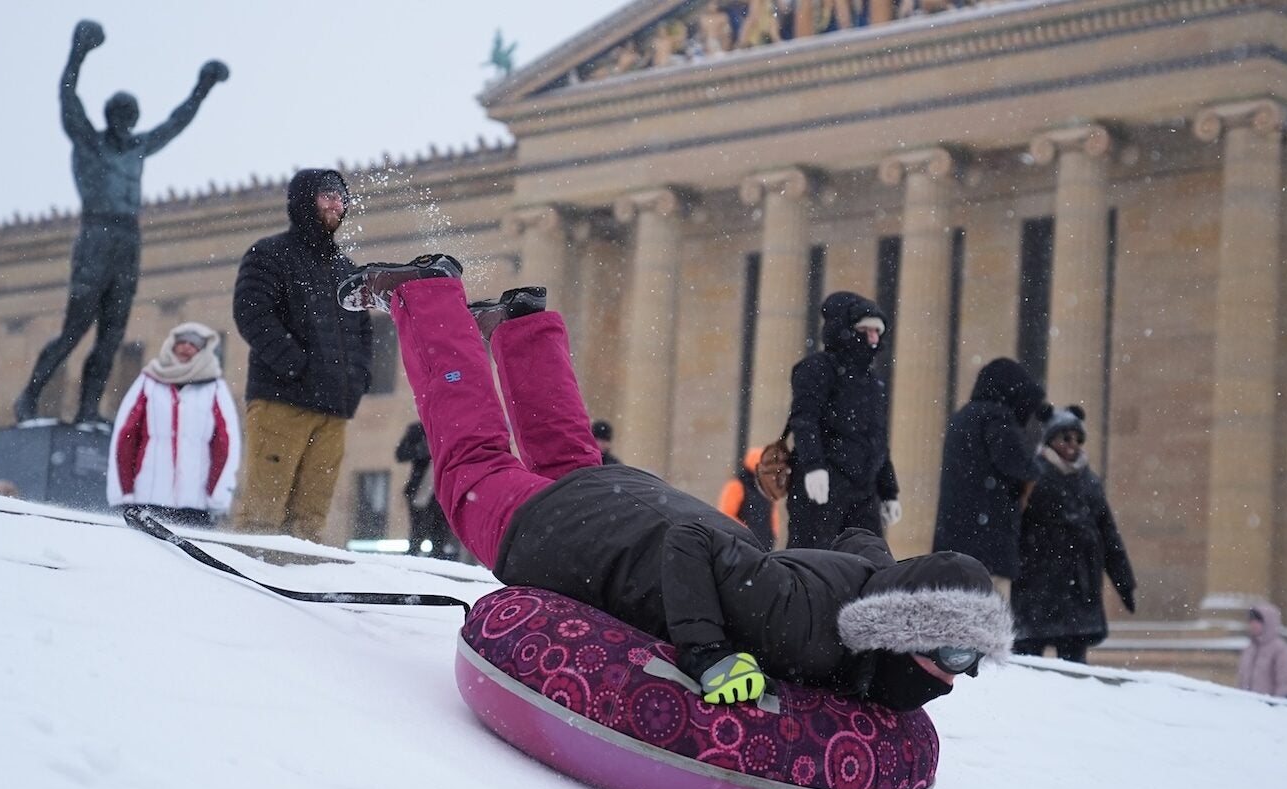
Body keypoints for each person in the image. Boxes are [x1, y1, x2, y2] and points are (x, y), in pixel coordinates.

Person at [337, 259, 1015, 712]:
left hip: (626, 507)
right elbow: (693, 544)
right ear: (905, 626)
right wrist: (709, 653)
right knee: (473, 466)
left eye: (972, 656)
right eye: (957, 650)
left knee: (571, 458)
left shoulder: (866, 584)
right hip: (575, 537)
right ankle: (426, 293)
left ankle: (521, 325)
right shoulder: (804, 626)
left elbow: (866, 539)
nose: (961, 673)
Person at [15, 20, 228, 428]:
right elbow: (67, 97)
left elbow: (176, 122)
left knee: (112, 333)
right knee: (75, 328)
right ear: (110, 114)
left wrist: (203, 86)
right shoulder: (89, 143)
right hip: (96, 234)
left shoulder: (138, 148)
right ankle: (29, 396)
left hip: (128, 240)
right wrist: (79, 51)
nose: (128, 120)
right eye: (122, 113)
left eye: (133, 115)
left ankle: (89, 410)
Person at [232, 169, 373, 541]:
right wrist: (297, 366)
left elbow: (363, 332)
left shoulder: (346, 269)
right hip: (283, 401)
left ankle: (295, 592)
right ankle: (244, 586)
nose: (336, 204)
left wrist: (356, 381)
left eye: (341, 198)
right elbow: (252, 314)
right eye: (327, 195)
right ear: (303, 200)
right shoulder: (270, 254)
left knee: (310, 523)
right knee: (263, 512)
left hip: (333, 412)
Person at [1010, 405, 1136, 663]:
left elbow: (1109, 535)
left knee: (1075, 668)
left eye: (1077, 438)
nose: (1072, 444)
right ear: (1050, 440)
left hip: (1079, 588)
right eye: (1065, 438)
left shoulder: (1090, 481)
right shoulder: (1031, 476)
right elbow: (1012, 526)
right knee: (1027, 667)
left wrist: (1124, 583)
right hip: (1037, 585)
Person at [786, 292, 900, 548]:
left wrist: (889, 491)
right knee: (813, 562)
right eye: (865, 330)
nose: (873, 338)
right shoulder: (817, 368)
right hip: (825, 484)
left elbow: (878, 440)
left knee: (871, 565)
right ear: (845, 330)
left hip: (864, 491)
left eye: (877, 332)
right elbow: (805, 419)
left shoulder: (873, 382)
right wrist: (814, 466)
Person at [932, 357, 1048, 596]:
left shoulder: (963, 417)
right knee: (990, 611)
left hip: (957, 541)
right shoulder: (996, 418)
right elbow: (1017, 464)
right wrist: (1042, 464)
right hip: (987, 539)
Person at [107, 323, 240, 527]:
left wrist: (219, 495)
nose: (186, 347)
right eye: (182, 342)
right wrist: (123, 493)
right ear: (171, 345)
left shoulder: (214, 387)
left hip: (196, 505)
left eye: (193, 344)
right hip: (148, 499)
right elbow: (125, 436)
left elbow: (226, 442)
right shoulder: (148, 381)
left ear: (203, 350)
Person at [395, 421, 453, 558]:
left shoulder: (455, 429)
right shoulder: (419, 429)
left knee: (440, 539)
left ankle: (435, 571)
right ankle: (409, 569)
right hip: (421, 490)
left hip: (445, 492)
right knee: (417, 535)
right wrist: (423, 449)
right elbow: (400, 454)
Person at [716, 446, 779, 548]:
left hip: (761, 549)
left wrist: (772, 535)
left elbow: (773, 517)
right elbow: (726, 515)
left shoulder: (768, 491)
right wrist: (746, 534)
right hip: (740, 547)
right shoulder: (736, 487)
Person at [1237, 602, 1287, 697]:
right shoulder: (1249, 648)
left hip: (1267, 708)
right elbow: (1241, 680)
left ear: (1269, 622)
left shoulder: (1280, 649)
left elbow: (1285, 684)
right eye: (1251, 620)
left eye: (1258, 621)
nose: (1253, 624)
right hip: (1246, 705)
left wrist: (1275, 707)